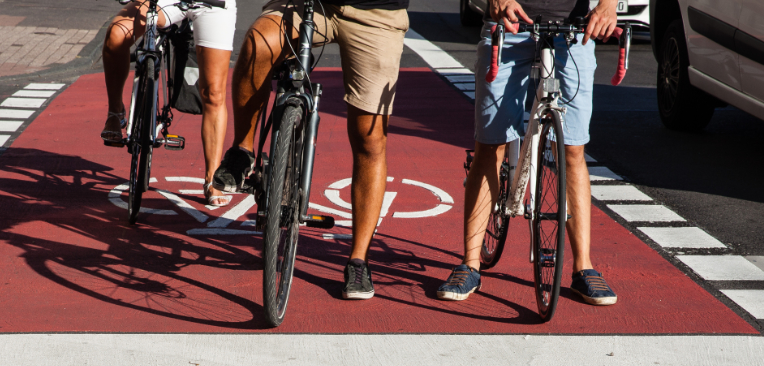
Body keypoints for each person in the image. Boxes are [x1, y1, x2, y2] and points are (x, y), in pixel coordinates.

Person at [211, 0, 409, 299]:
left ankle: (358, 261)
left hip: (376, 11)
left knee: (370, 138)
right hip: (309, 3)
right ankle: (243, 151)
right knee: (258, 44)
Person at [438, 0, 619, 306]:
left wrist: (609, 5)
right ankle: (470, 263)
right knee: (491, 146)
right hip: (508, 27)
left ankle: (583, 267)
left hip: (573, 29)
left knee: (572, 149)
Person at [100, 0, 237, 207]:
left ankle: (211, 178)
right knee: (116, 35)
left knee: (214, 93)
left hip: (212, 4)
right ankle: (115, 111)